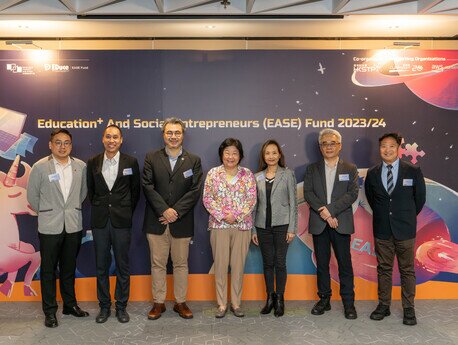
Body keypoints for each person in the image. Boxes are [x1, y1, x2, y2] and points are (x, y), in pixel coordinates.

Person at [27, 129, 89, 328]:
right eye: (58, 142)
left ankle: (70, 305)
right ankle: (50, 311)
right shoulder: (39, 167)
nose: (63, 147)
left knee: (69, 268)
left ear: (71, 145)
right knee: (48, 270)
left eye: (67, 143)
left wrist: (68, 210)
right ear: (50, 145)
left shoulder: (81, 166)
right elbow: (32, 197)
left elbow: (82, 193)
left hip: (73, 224)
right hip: (49, 226)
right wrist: (48, 211)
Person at [142, 118, 203, 320]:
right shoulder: (151, 157)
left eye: (177, 132)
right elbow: (148, 187)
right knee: (157, 264)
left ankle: (180, 302)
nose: (173, 136)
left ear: (183, 135)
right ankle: (158, 303)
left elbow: (195, 190)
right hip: (156, 221)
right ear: (163, 135)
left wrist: (175, 211)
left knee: (181, 264)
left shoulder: (193, 160)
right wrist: (164, 210)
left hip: (181, 221)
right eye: (169, 132)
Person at [365, 132, 426, 326]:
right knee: (384, 269)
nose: (387, 149)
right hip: (382, 229)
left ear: (398, 147)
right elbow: (372, 199)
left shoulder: (413, 171)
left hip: (405, 230)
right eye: (383, 146)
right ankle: (384, 305)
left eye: (391, 146)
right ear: (379, 148)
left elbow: (419, 200)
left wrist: (404, 216)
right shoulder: (373, 173)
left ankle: (409, 308)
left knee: (407, 270)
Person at [87, 124, 140, 324]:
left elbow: (135, 192)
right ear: (103, 139)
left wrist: (123, 210)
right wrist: (104, 207)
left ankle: (121, 307)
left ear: (121, 140)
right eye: (108, 137)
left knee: (122, 265)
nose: (111, 140)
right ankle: (104, 307)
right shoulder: (93, 162)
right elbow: (91, 192)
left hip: (122, 221)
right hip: (100, 221)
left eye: (115, 137)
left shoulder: (131, 162)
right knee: (101, 265)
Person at [303, 128, 358, 320]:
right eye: (325, 143)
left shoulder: (350, 169)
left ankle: (349, 303)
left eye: (332, 143)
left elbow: (352, 194)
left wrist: (331, 211)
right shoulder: (312, 169)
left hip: (341, 222)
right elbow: (308, 193)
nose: (329, 146)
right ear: (320, 147)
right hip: (320, 223)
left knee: (345, 264)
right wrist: (325, 214)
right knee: (322, 264)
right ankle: (324, 299)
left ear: (340, 145)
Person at [203, 138, 257, 318]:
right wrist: (223, 215)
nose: (231, 156)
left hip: (242, 226)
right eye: (227, 153)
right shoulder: (213, 174)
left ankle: (236, 303)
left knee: (237, 266)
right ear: (221, 154)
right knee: (220, 265)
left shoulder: (247, 174)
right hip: (219, 225)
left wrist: (237, 216)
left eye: (235, 153)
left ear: (240, 155)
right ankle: (221, 304)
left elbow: (251, 200)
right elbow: (207, 199)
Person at [252, 139, 297, 317]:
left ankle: (280, 299)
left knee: (280, 262)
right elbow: (254, 206)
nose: (271, 156)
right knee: (267, 263)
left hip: (282, 225)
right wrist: (253, 230)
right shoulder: (257, 176)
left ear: (279, 155)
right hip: (262, 226)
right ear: (264, 156)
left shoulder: (287, 174)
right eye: (267, 153)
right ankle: (269, 298)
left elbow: (293, 203)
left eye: (274, 152)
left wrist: (292, 228)